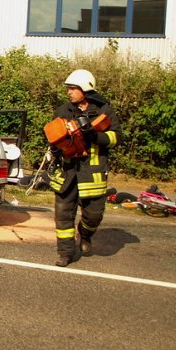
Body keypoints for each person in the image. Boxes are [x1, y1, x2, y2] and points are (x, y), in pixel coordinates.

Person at [48, 69, 121, 267]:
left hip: (93, 172)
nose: (69, 92)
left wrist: (94, 136)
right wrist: (56, 146)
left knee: (94, 215)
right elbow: (53, 137)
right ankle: (65, 253)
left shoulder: (104, 110)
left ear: (85, 90)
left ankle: (86, 234)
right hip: (67, 171)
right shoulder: (63, 111)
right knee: (63, 215)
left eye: (73, 88)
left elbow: (115, 138)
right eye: (69, 89)